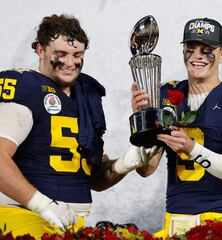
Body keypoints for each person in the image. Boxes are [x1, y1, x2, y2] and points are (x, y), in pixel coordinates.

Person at [0, 14, 152, 238]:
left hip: (69, 221)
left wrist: (123, 165)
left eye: (77, 55)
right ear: (40, 50)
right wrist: (42, 204)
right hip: (22, 215)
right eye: (61, 55)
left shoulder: (87, 94)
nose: (70, 63)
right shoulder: (27, 89)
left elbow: (94, 180)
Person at [131, 17, 222, 239]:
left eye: (206, 49)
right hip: (173, 221)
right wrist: (143, 121)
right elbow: (146, 170)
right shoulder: (165, 94)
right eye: (190, 49)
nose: (197, 56)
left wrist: (192, 148)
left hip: (220, 223)